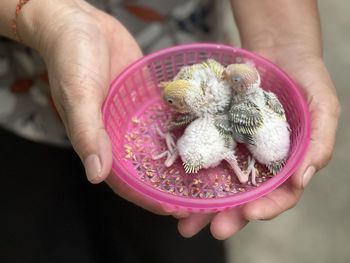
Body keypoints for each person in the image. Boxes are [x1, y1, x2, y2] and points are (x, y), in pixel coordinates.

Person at [0, 0, 340, 261]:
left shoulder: (231, 104)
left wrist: (285, 38)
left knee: (166, 247)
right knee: (38, 236)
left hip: (185, 34)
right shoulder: (223, 107)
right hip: (19, 93)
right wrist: (37, 15)